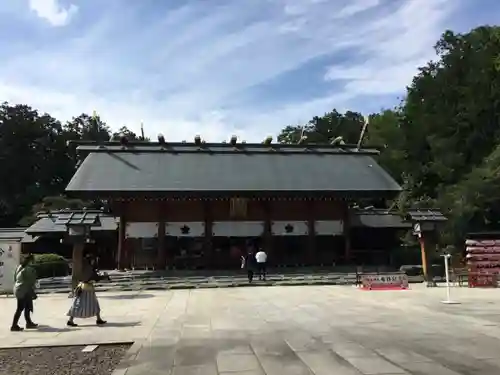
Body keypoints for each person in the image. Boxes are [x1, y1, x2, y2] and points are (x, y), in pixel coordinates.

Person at [67, 253, 107, 327]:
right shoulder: (88, 268)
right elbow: (92, 277)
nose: (94, 261)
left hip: (85, 287)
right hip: (85, 288)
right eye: (93, 260)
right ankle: (70, 320)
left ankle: (98, 319)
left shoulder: (86, 267)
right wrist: (103, 277)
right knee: (79, 304)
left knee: (92, 304)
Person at [11, 254, 38, 331]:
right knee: (20, 308)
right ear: (31, 261)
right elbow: (30, 283)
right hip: (23, 289)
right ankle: (14, 325)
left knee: (28, 305)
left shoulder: (19, 267)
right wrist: (33, 293)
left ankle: (28, 322)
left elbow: (15, 278)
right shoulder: (29, 269)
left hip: (18, 288)